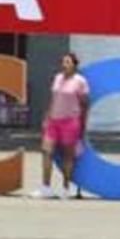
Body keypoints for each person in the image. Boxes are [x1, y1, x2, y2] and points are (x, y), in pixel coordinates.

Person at [34, 52, 89, 199]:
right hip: (53, 121)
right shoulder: (57, 78)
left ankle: (66, 187)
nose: (64, 65)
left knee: (68, 156)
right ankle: (46, 187)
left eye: (68, 62)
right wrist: (47, 117)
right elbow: (53, 99)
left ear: (74, 65)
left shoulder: (80, 81)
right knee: (46, 151)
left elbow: (84, 104)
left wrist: (82, 125)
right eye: (63, 62)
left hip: (70, 122)